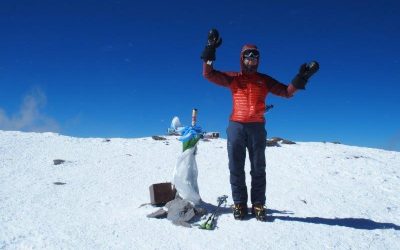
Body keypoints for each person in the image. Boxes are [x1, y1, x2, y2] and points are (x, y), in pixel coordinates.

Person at [201, 29, 319, 221]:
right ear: (242, 59)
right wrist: (210, 49)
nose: (251, 61)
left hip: (257, 127)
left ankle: (258, 204)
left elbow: (287, 92)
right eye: (247, 57)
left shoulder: (264, 80)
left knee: (258, 168)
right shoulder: (233, 78)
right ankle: (239, 204)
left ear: (258, 60)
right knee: (236, 167)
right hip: (236, 126)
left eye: (254, 58)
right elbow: (208, 74)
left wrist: (302, 78)